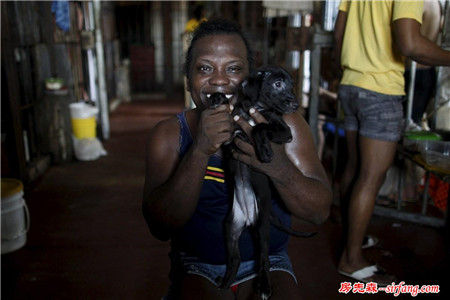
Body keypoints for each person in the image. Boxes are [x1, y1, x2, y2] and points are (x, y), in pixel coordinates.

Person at [143, 19, 332, 299]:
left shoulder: (286, 125)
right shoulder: (170, 135)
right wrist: (199, 151)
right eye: (205, 68)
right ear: (188, 80)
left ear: (250, 79)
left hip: (270, 263)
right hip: (197, 266)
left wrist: (279, 167)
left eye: (233, 68)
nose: (219, 80)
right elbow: (160, 227)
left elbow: (318, 212)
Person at [334, 0, 450, 286]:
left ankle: (353, 236)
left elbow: (339, 35)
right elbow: (410, 44)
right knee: (371, 178)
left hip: (351, 84)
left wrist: (353, 72)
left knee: (355, 167)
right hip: (380, 90)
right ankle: (351, 259)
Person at [404, 0, 443, 129]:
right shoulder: (437, 5)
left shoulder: (420, 3)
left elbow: (406, 37)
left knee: (405, 122)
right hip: (428, 71)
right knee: (414, 121)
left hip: (414, 71)